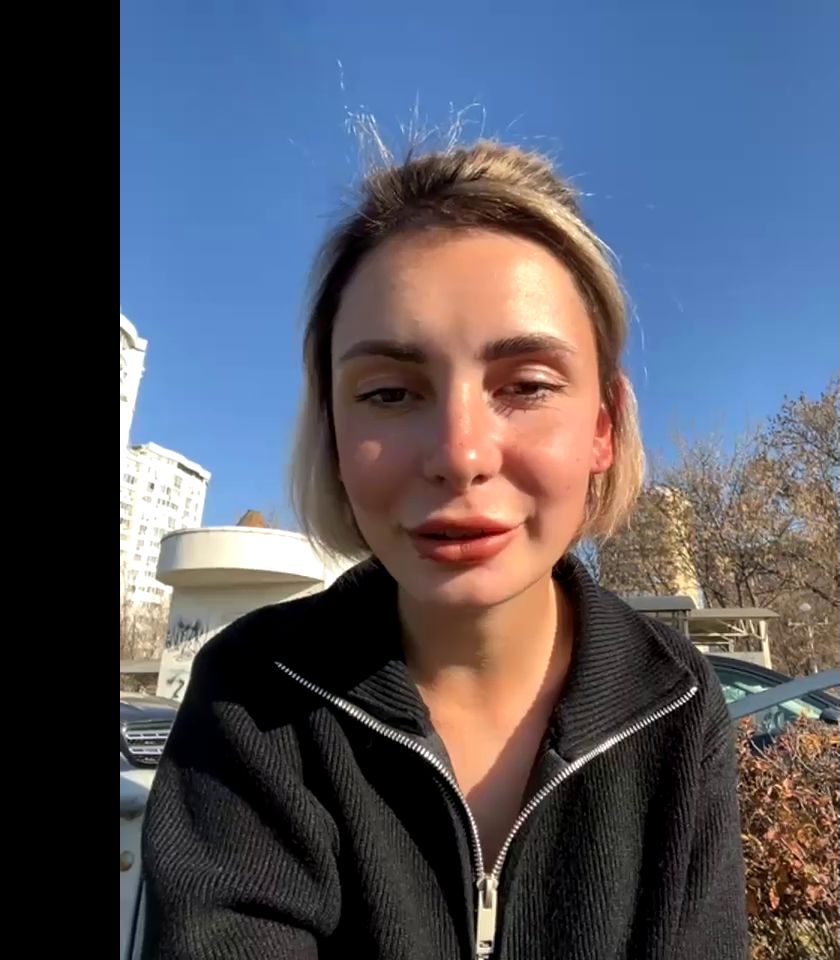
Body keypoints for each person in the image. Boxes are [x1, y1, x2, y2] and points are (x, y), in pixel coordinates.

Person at [142, 139, 749, 960]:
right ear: (332, 431)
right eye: (390, 393)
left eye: (526, 386)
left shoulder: (676, 701)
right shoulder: (252, 696)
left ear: (602, 428)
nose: (460, 455)